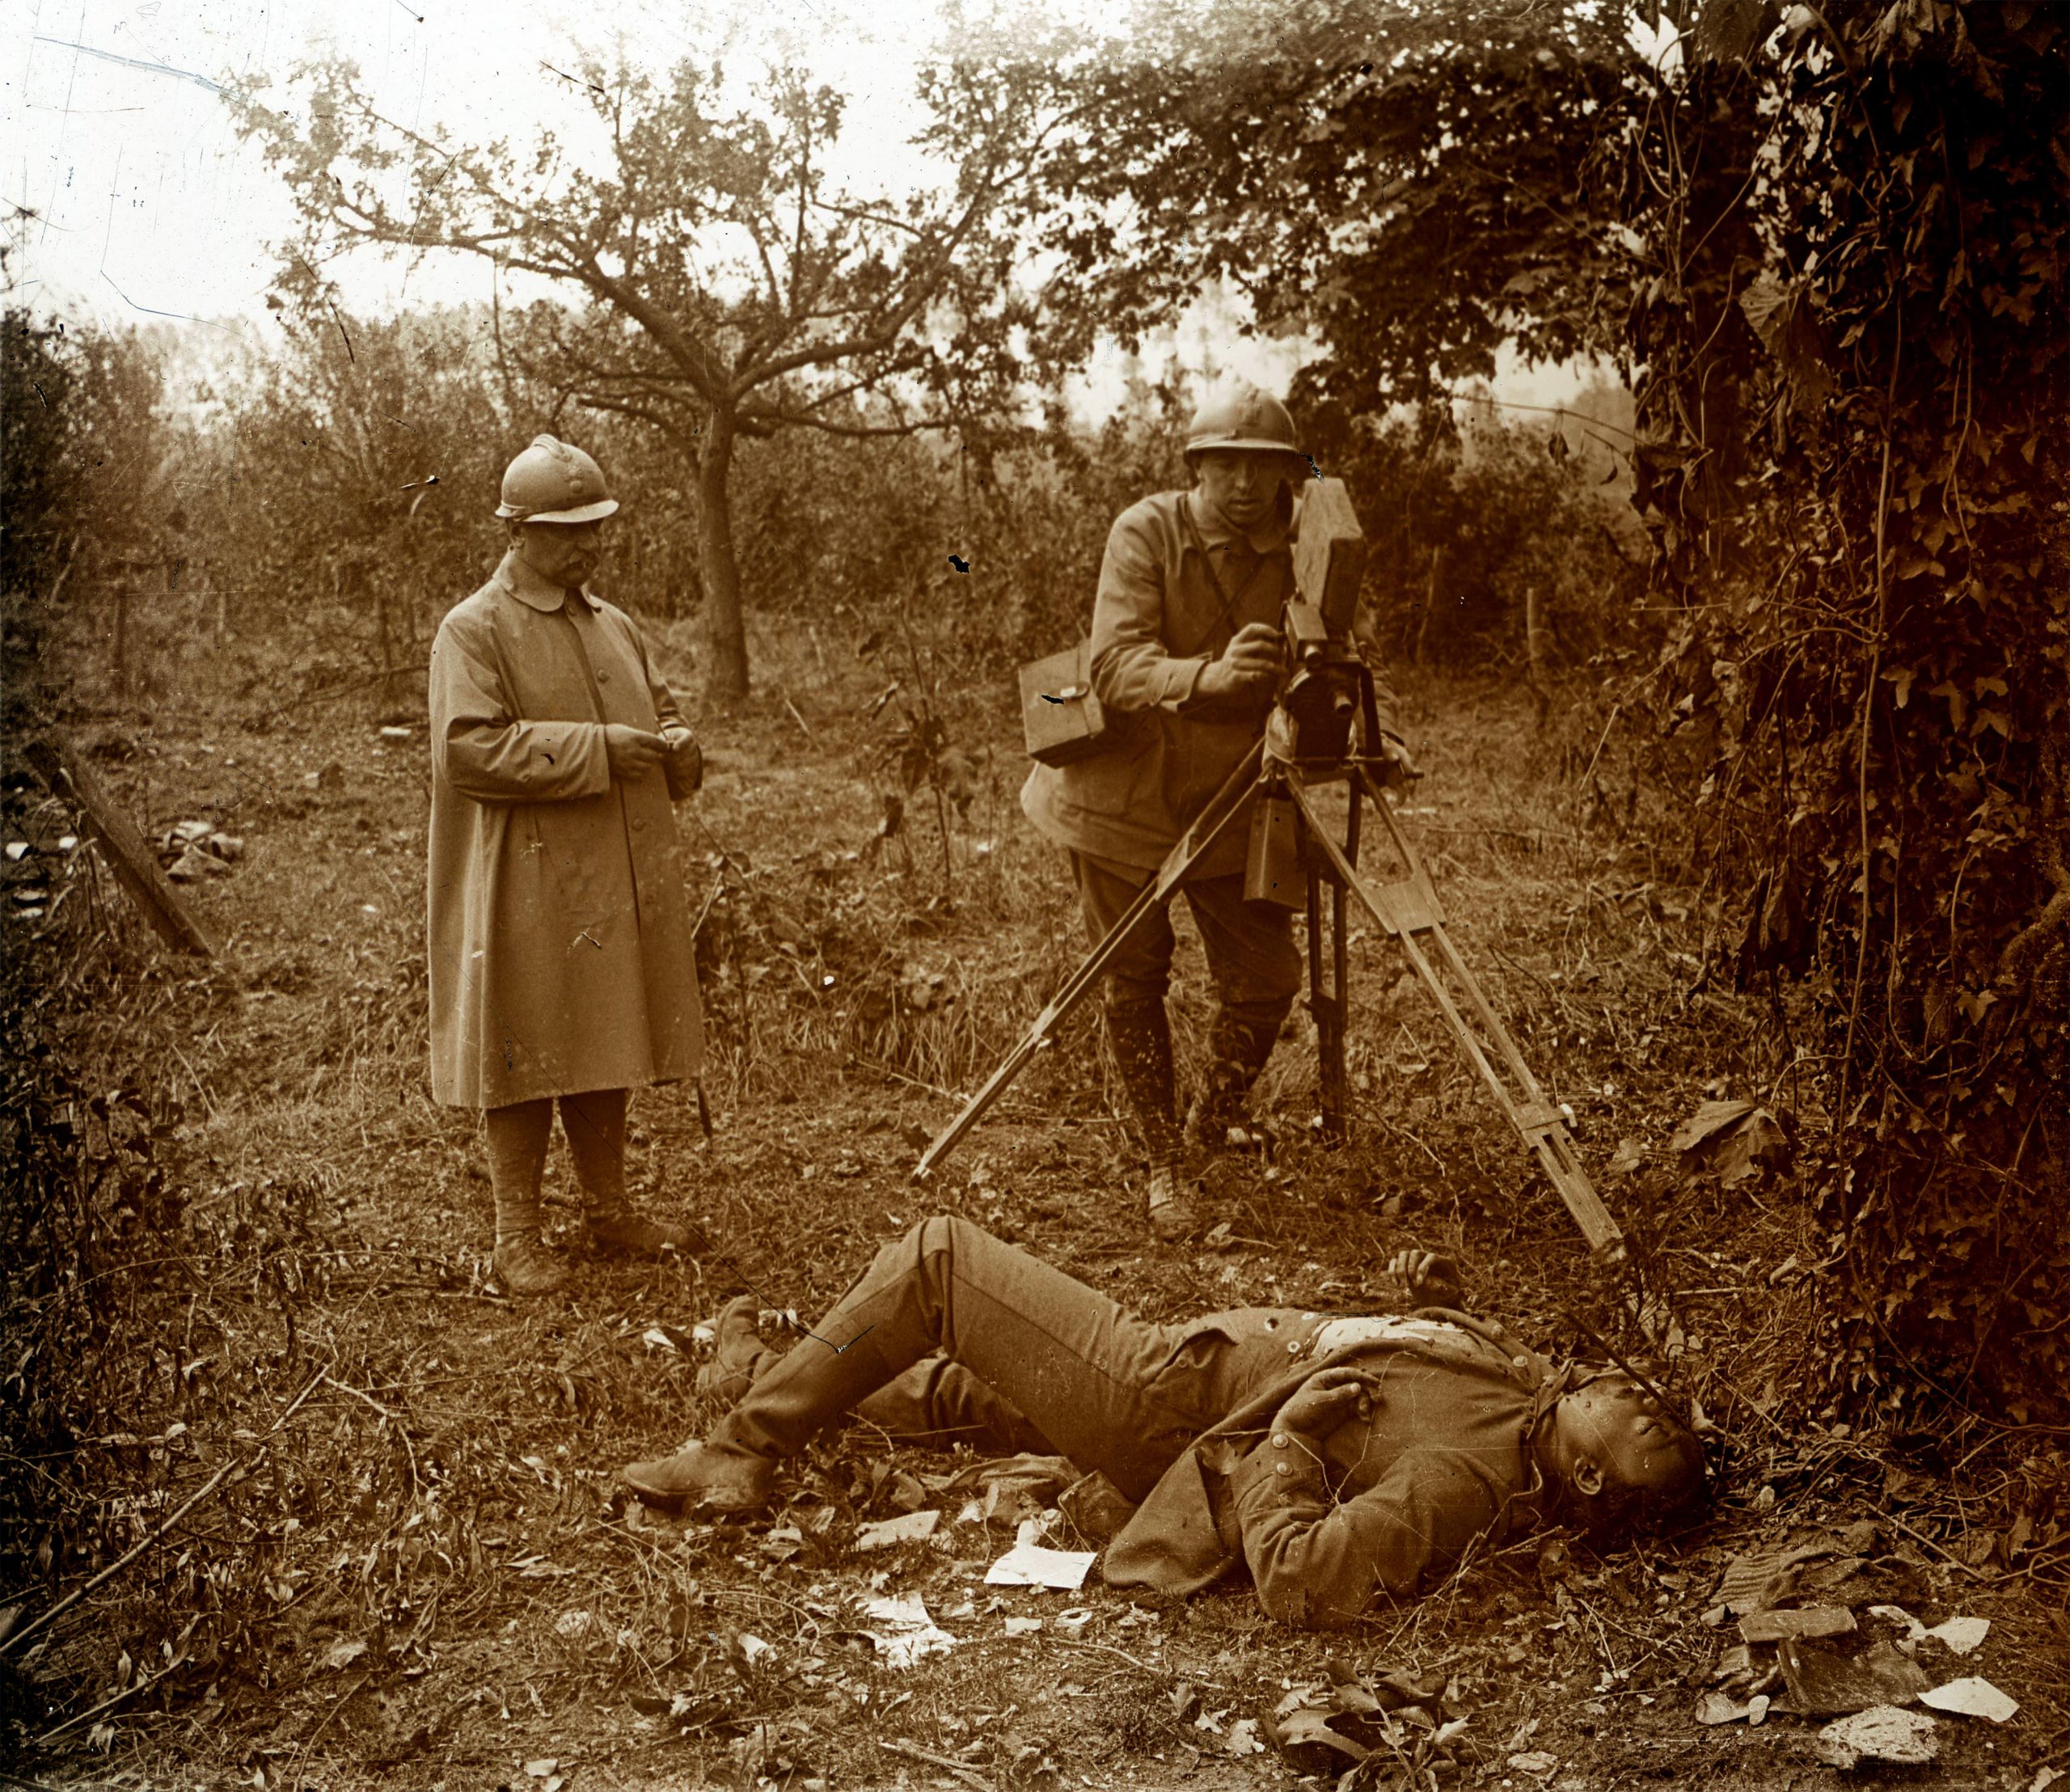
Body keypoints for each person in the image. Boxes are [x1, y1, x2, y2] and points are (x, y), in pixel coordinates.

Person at [619, 1218, 1705, 1632]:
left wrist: (1288, 1447)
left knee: (941, 1262)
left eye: (1651, 1433)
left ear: (1594, 1483)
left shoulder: (1469, 1480)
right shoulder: (1523, 1401)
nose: (1650, 1403)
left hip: (1173, 1405)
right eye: (1656, 1403)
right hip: (1198, 1377)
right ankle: (781, 1362)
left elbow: (1304, 1580)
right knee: (975, 1390)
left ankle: (742, 1451)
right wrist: (1425, 1301)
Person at [1020, 382, 1415, 1240]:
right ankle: (1160, 1159)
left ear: (1288, 476)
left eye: (1262, 467)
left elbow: (1331, 654)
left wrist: (1368, 733)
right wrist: (1211, 677)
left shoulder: (1303, 543)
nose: (1242, 483)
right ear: (1196, 467)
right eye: (1223, 463)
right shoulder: (1147, 530)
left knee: (1268, 976)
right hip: (1118, 796)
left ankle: (1211, 1115)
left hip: (1233, 795)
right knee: (1134, 975)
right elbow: (1115, 666)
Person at [427, 434, 707, 1295]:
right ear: (516, 531)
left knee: (604, 1028)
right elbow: (467, 752)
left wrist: (677, 746)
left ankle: (608, 1208)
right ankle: (517, 1234)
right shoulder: (471, 628)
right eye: (567, 530)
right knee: (521, 1041)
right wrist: (597, 749)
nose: (588, 544)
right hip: (524, 877)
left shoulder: (612, 622)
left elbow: (654, 720)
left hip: (611, 878)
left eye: (596, 527)